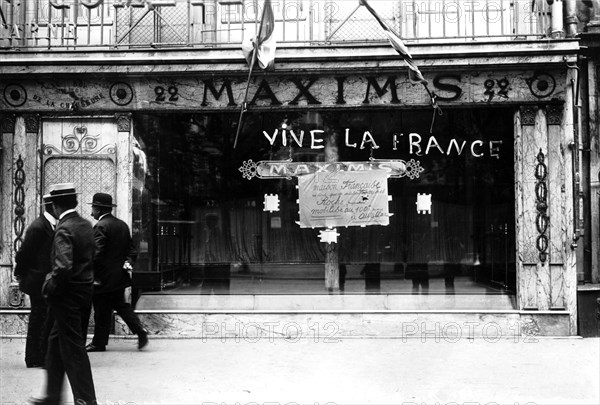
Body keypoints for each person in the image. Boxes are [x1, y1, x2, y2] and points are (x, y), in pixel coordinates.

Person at [30, 183, 96, 405]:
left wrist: (49, 287)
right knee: (55, 346)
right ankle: (52, 396)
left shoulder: (64, 228)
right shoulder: (85, 225)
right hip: (83, 293)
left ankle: (86, 400)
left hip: (66, 297)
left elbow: (63, 267)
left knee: (73, 350)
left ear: (56, 205)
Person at [84, 192, 148, 352]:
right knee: (122, 306)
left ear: (98, 209)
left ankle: (99, 342)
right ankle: (140, 331)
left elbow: (96, 254)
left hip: (102, 279)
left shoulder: (100, 226)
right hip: (119, 277)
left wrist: (88, 270)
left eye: (93, 207)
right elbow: (132, 251)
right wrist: (127, 264)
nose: (92, 211)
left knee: (101, 311)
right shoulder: (122, 225)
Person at [14, 194, 56, 368]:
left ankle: (39, 356)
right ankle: (33, 358)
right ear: (53, 207)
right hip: (37, 281)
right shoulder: (38, 227)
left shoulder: (49, 225)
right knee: (38, 319)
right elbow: (24, 254)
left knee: (42, 318)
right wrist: (20, 274)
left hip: (42, 280)